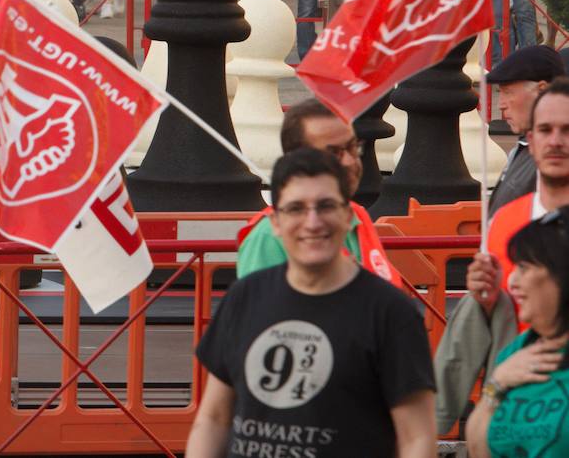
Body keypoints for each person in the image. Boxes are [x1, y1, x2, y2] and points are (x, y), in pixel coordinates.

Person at [186, 149, 437, 458]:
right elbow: (213, 418)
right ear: (275, 222)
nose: (313, 222)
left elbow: (416, 438)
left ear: (349, 216)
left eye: (326, 206)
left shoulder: (391, 312)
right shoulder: (244, 297)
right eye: (296, 209)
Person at [434, 78, 569, 431]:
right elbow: (501, 309)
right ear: (531, 140)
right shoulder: (506, 219)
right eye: (545, 130)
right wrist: (489, 297)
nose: (556, 141)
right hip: (512, 402)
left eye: (567, 130)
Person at [236, 99, 396, 282]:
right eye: (334, 152)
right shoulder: (269, 237)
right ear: (298, 159)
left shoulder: (356, 215)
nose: (350, 161)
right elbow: (260, 307)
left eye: (352, 147)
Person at [466, 213, 569, 458]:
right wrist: (496, 385)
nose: (511, 282)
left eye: (523, 268)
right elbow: (478, 449)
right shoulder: (517, 352)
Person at [488, 46, 566, 215]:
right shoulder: (524, 148)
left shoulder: (555, 156)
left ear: (542, 90)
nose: (501, 104)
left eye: (508, 92)